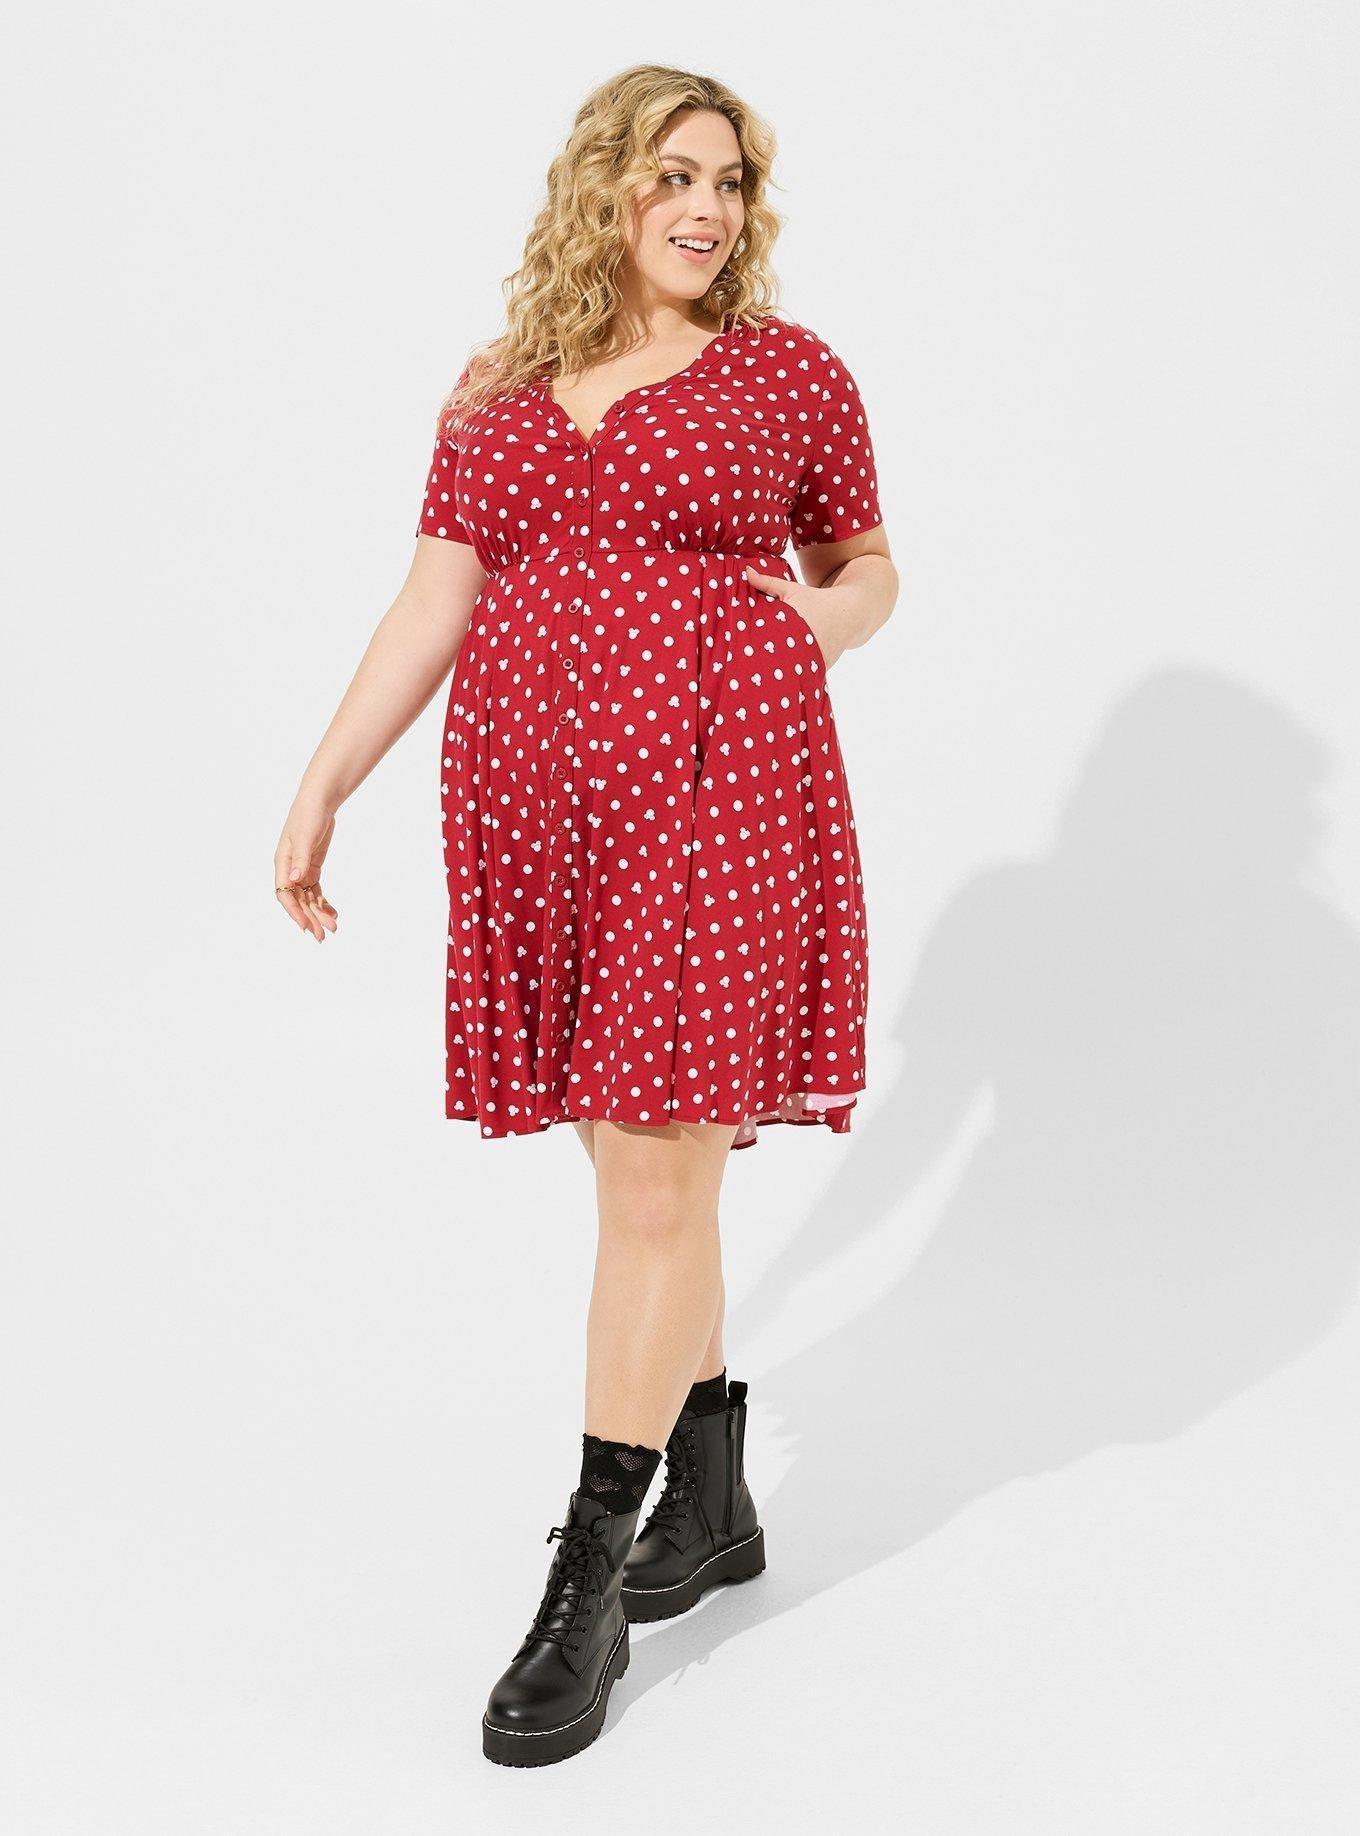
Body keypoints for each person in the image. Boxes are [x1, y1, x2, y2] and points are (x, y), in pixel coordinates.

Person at [274, 63, 897, 1767]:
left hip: (719, 792)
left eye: (732, 182)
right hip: (541, 823)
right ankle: (714, 1496)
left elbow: (870, 566)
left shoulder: (789, 373)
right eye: (674, 175)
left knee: (654, 1177)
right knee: (649, 1178)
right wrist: (326, 781)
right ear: (604, 187)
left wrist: (820, 625)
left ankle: (591, 1577)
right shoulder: (499, 387)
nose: (708, 208)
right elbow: (435, 598)